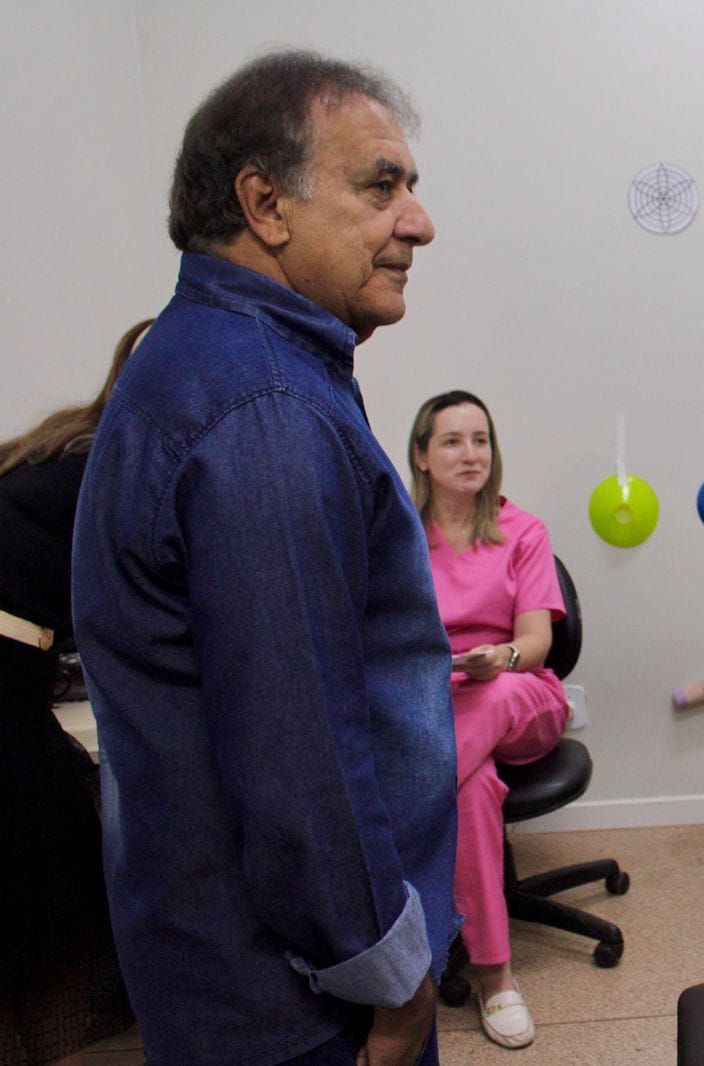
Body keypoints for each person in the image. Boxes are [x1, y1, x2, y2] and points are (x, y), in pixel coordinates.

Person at [71, 52, 455, 1066]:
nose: (418, 222)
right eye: (381, 186)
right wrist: (392, 981)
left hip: (224, 984)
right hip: (303, 1011)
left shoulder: (212, 361)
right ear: (266, 205)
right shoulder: (264, 407)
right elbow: (300, 752)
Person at [1, 321, 147, 1066]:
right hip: (10, 692)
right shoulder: (114, 469)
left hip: (19, 685)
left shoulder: (63, 440)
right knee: (56, 872)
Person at [407, 390, 571, 1050]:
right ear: (422, 455)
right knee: (471, 793)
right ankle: (496, 977)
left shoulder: (522, 530)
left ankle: (405, 805)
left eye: (481, 439)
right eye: (452, 440)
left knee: (495, 695)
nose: (470, 453)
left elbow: (537, 642)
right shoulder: (397, 536)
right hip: (435, 707)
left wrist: (498, 658)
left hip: (519, 694)